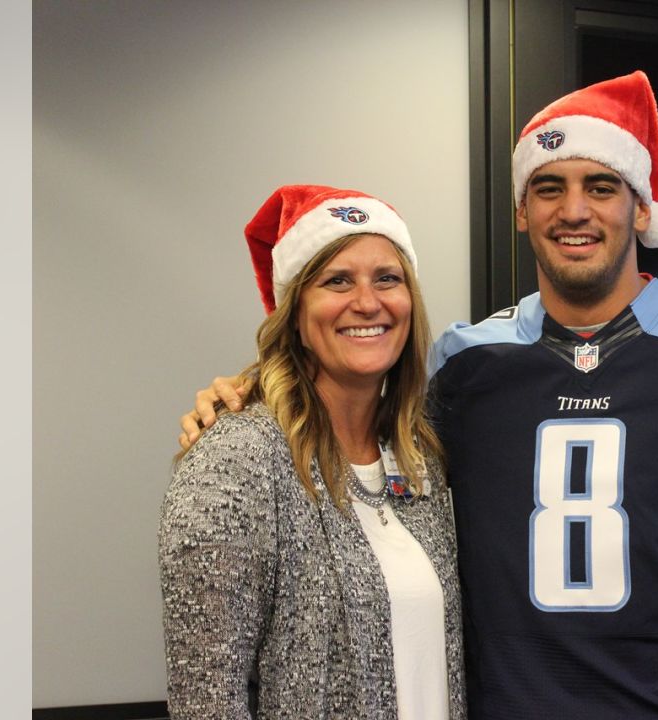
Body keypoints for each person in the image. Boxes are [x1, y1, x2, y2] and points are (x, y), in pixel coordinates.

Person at [183, 72, 658, 719]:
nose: (573, 210)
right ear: (522, 211)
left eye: (601, 187)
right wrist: (251, 389)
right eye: (548, 188)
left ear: (641, 208)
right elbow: (348, 415)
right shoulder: (465, 364)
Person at [160, 185, 465, 719]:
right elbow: (207, 700)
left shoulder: (422, 460)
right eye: (337, 281)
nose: (367, 302)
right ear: (294, 314)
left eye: (387, 279)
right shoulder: (238, 459)